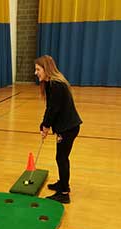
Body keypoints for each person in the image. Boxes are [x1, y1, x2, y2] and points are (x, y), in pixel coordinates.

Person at [35, 55, 82, 204]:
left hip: (68, 128)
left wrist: (46, 127)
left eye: (38, 69)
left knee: (61, 158)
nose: (35, 72)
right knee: (60, 157)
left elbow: (54, 109)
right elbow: (50, 108)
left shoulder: (56, 85)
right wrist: (44, 124)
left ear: (46, 69)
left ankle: (64, 192)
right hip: (65, 127)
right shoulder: (50, 84)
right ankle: (62, 183)